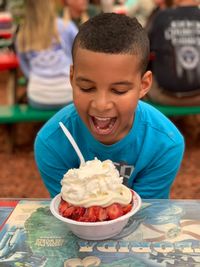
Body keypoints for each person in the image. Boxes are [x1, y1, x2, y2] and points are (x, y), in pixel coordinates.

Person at [34, 13, 184, 199]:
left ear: (143, 85)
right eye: (87, 88)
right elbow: (69, 213)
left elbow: (146, 216)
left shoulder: (164, 144)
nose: (101, 104)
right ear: (72, 78)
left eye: (119, 90)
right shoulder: (52, 142)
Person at [15, 0, 78, 110]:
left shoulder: (23, 33)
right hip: (67, 95)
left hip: (38, 97)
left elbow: (24, 66)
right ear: (50, 5)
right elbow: (80, 53)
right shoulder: (66, 26)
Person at [148, 0, 200, 106]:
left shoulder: (161, 17)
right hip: (198, 97)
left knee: (144, 79)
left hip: (166, 96)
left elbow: (145, 49)